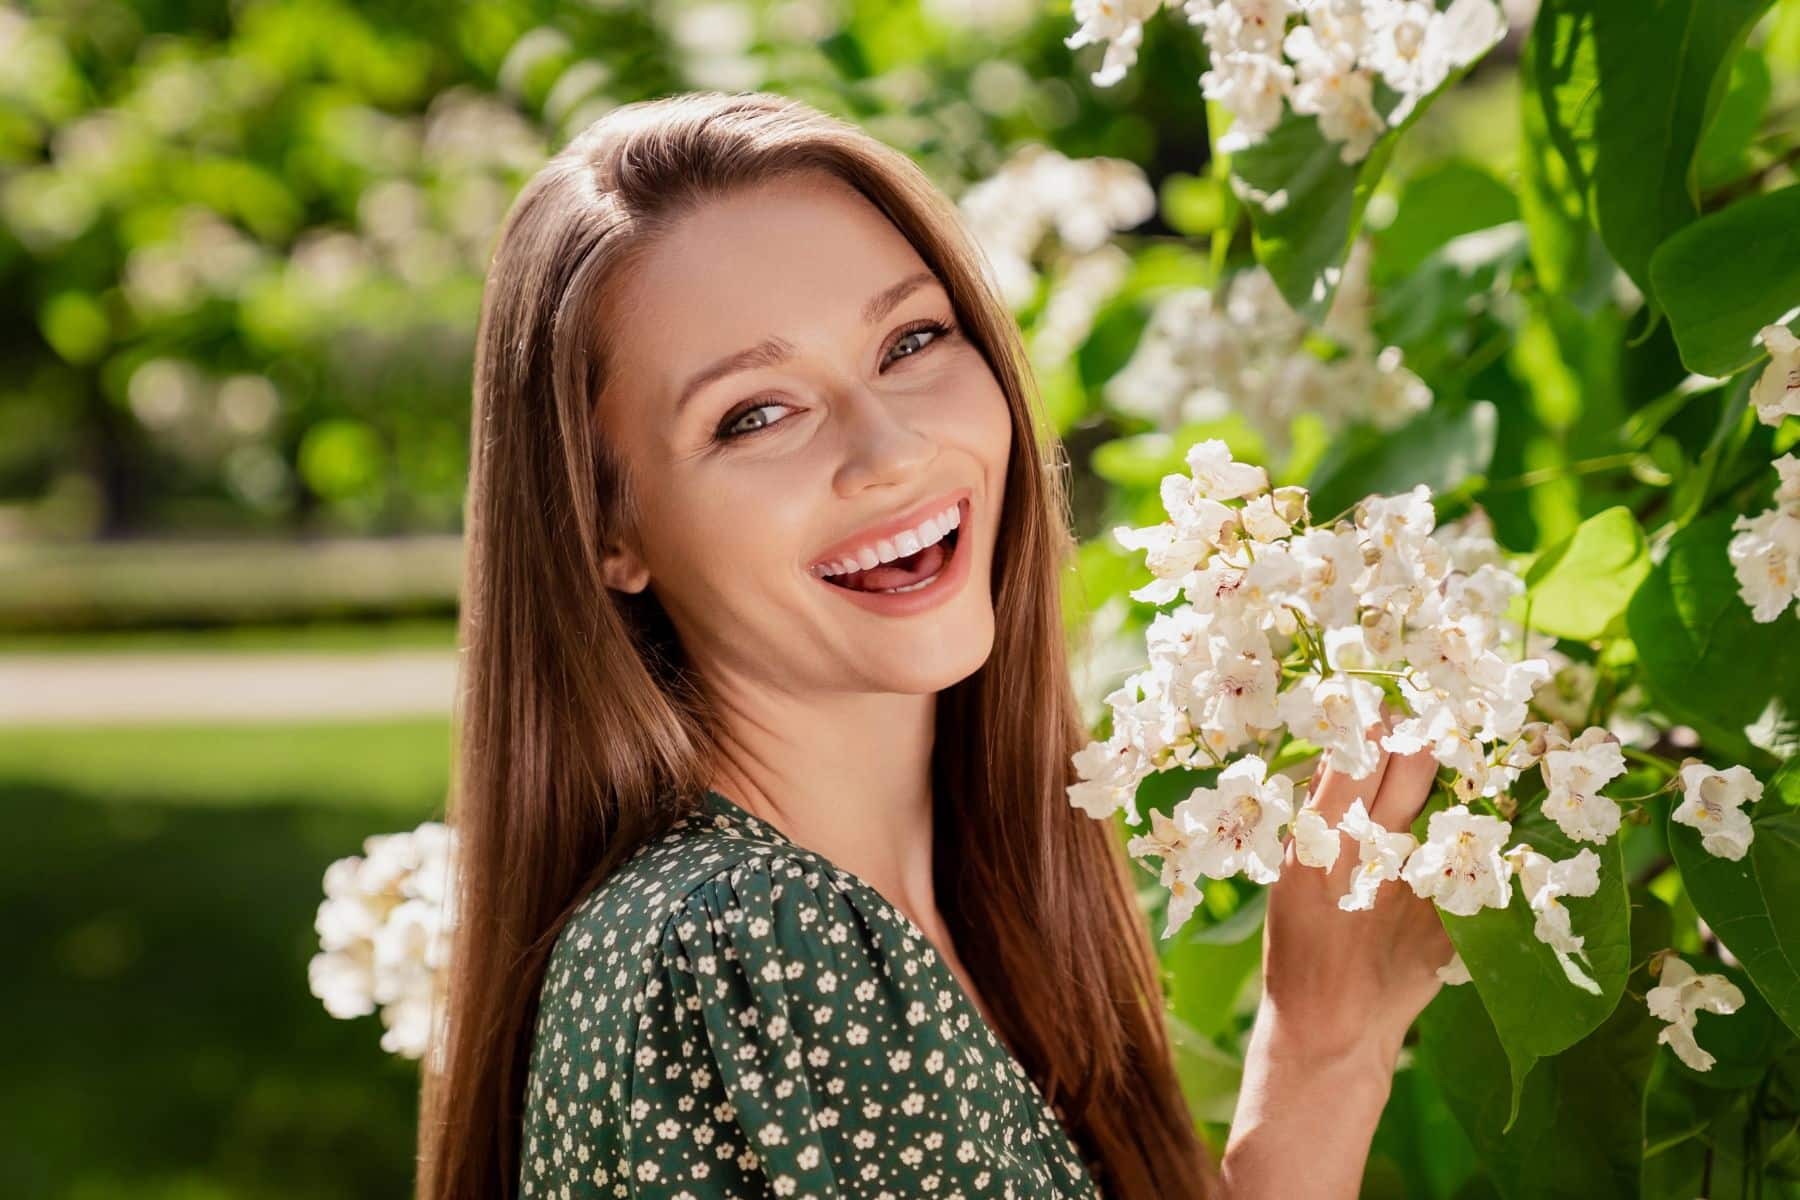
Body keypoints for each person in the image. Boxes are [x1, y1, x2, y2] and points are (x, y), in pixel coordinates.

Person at [415, 90, 1455, 1200]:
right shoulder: (758, 944)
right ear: (608, 528)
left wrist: (1329, 1044)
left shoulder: (959, 922)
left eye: (912, 340)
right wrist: (1315, 1067)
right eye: (756, 413)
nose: (892, 449)